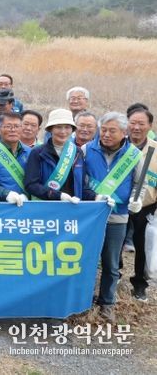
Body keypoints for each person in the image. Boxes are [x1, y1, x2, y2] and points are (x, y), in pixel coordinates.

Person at [82, 112, 141, 323]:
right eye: (104, 130)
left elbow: (139, 183)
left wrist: (136, 199)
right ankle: (83, 300)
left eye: (112, 131)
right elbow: (81, 179)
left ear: (124, 132)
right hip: (90, 216)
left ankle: (107, 303)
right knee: (86, 259)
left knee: (111, 262)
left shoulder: (133, 155)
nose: (106, 134)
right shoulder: (86, 149)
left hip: (117, 217)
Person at [23, 109, 94, 203]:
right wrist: (58, 196)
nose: (63, 131)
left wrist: (96, 197)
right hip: (46, 207)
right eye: (58, 127)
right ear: (50, 129)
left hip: (72, 206)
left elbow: (82, 187)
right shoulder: (38, 152)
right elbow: (31, 185)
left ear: (72, 130)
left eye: (67, 127)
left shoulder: (77, 152)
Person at [126, 107, 156, 302]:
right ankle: (115, 275)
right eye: (133, 123)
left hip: (146, 206)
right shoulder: (119, 145)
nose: (136, 127)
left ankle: (139, 284)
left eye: (141, 124)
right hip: (119, 205)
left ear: (150, 126)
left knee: (142, 245)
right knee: (114, 243)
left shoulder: (155, 149)